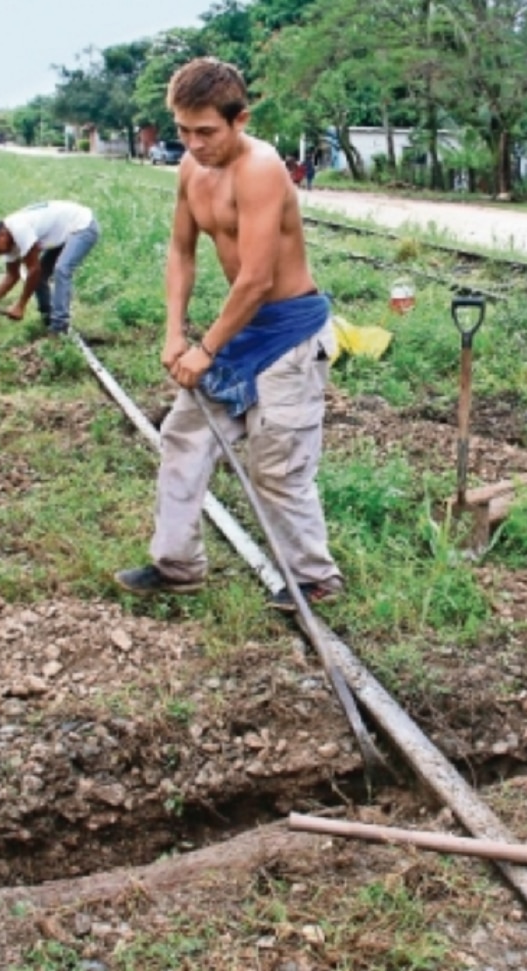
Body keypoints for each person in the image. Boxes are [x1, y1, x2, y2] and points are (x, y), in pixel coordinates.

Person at [115, 57, 344, 612]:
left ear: (240, 119)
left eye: (206, 132)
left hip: (286, 335)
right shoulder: (191, 170)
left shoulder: (261, 168)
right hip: (241, 332)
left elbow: (258, 278)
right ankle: (177, 566)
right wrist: (174, 332)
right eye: (183, 130)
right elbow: (181, 250)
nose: (194, 144)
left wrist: (206, 347)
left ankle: (315, 578)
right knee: (184, 438)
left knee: (277, 466)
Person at [0, 201, 100, 335]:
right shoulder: (8, 240)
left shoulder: (19, 228)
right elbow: (11, 276)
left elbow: (34, 269)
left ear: (1, 234)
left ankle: (59, 326)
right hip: (64, 233)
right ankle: (48, 318)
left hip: (83, 225)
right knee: (39, 277)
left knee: (62, 269)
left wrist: (20, 305)